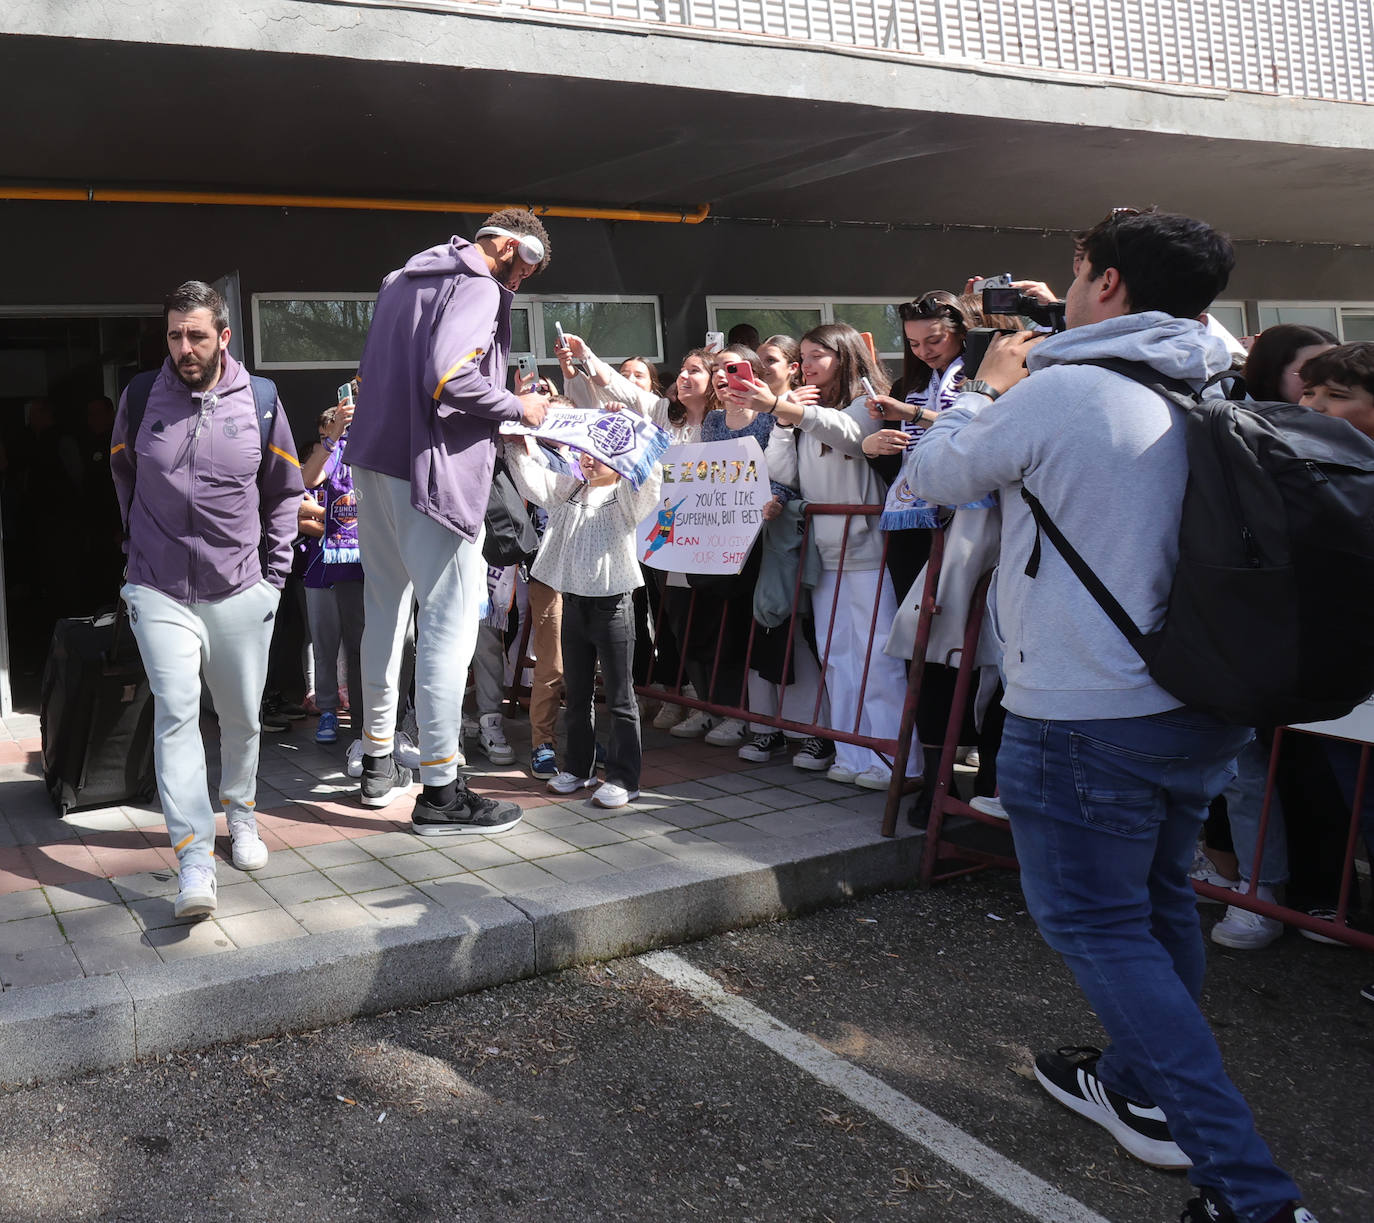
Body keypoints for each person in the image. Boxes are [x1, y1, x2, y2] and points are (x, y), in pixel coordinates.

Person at [905, 208, 1317, 1223]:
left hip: (1085, 708)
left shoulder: (1064, 391)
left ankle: (1250, 1189)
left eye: (1076, 269)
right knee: (1161, 902)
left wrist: (987, 388)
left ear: (1110, 283)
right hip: (1198, 700)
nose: (1062, 284)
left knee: (1101, 926)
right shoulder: (1214, 371)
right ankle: (1138, 1086)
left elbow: (931, 473)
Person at [345, 211, 550, 837]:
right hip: (429, 474)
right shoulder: (481, 283)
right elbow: (450, 374)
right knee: (450, 623)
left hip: (374, 463)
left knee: (385, 613)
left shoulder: (400, 279)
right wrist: (520, 406)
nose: (521, 286)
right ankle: (441, 789)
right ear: (511, 246)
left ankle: (378, 758)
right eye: (527, 270)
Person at [110, 280, 304, 919]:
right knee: (176, 713)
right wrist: (138, 557)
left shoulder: (264, 400)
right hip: (159, 586)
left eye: (196, 335)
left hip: (241, 587)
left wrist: (272, 580)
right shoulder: (141, 398)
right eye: (174, 335)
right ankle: (193, 857)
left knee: (243, 718)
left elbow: (282, 492)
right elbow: (123, 477)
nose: (184, 348)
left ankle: (241, 812)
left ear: (223, 336)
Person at [762, 323, 918, 790]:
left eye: (816, 355)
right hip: (824, 553)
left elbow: (851, 434)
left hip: (869, 551)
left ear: (844, 356)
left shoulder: (866, 400)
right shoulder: (808, 409)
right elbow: (781, 471)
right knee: (837, 657)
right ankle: (852, 753)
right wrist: (784, 421)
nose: (806, 365)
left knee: (878, 657)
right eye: (803, 357)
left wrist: (786, 408)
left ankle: (896, 763)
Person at [505, 432, 663, 808]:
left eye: (597, 454)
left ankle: (626, 779)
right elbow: (532, 477)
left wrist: (630, 433)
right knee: (576, 694)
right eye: (584, 453)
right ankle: (579, 768)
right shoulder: (570, 489)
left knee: (621, 698)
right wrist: (515, 439)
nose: (587, 460)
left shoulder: (626, 494)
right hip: (573, 604)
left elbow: (651, 477)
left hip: (612, 606)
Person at [300, 390, 364, 747]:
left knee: (376, 644)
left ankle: (384, 720)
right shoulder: (331, 451)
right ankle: (328, 710)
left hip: (375, 559)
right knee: (326, 645)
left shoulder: (379, 442)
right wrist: (333, 436)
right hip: (325, 564)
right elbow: (306, 483)